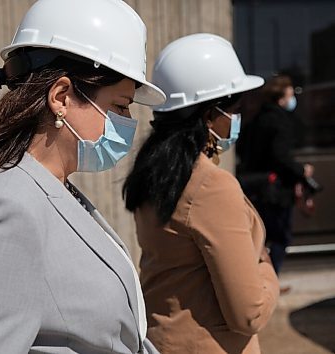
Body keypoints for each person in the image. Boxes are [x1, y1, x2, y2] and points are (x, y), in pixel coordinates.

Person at [0, 0, 165, 353]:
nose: (128, 121)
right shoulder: (3, 207)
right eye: (120, 105)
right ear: (61, 97)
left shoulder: (49, 187)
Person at [123, 33, 280, 353]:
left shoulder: (158, 173)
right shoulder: (210, 186)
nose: (238, 118)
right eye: (234, 109)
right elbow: (247, 314)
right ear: (209, 114)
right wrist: (266, 268)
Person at [236, 75, 315, 276]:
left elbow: (243, 149)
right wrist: (301, 171)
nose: (292, 98)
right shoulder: (280, 121)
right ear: (281, 97)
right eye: (290, 94)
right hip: (275, 190)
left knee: (258, 236)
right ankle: (269, 279)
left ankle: (257, 278)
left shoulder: (257, 118)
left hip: (254, 186)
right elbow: (281, 156)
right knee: (280, 237)